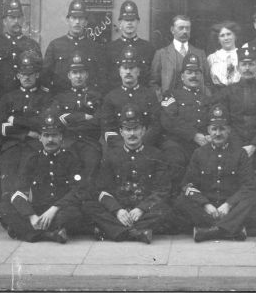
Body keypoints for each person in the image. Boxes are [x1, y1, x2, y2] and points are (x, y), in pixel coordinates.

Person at [83, 104, 173, 244]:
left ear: (143, 131)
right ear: (121, 132)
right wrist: (117, 210)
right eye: (127, 129)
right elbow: (101, 189)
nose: (132, 134)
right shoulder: (111, 156)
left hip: (144, 209)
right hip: (120, 208)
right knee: (89, 206)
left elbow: (163, 189)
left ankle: (115, 231)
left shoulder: (156, 155)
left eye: (136, 129)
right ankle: (136, 233)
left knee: (166, 210)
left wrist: (141, 209)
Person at [0, 115, 87, 244]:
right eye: (46, 136)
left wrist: (54, 209)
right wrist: (31, 216)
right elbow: (19, 191)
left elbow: (78, 190)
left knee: (75, 213)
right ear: (40, 138)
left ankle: (26, 231)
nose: (50, 140)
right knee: (2, 208)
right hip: (36, 208)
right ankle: (50, 234)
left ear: (61, 137)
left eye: (54, 136)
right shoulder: (32, 159)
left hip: (60, 209)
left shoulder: (71, 158)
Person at [174, 104, 256, 242]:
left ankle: (211, 231)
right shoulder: (199, 153)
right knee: (181, 201)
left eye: (222, 129)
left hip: (230, 207)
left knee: (253, 197)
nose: (218, 133)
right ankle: (230, 229)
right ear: (208, 130)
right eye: (214, 129)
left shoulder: (240, 153)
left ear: (229, 130)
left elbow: (249, 186)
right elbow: (187, 184)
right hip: (207, 208)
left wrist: (229, 204)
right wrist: (205, 205)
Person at [213, 46, 256, 213]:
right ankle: (232, 206)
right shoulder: (229, 91)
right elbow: (225, 122)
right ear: (238, 67)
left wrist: (254, 145)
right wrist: (239, 146)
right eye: (244, 64)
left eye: (251, 64)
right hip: (235, 145)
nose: (247, 68)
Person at [0, 51, 50, 200]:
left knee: (29, 171)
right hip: (12, 144)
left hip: (35, 145)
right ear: (18, 75)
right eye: (23, 74)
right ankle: (6, 204)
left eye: (30, 74)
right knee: (9, 171)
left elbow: (42, 123)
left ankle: (26, 205)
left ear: (37, 75)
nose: (26, 77)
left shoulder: (45, 97)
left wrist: (14, 120)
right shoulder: (8, 97)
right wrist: (26, 133)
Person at [159, 53, 212, 186]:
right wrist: (193, 135)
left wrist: (210, 136)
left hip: (202, 143)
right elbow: (168, 121)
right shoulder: (172, 95)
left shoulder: (207, 98)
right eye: (189, 72)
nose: (193, 76)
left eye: (197, 73)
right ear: (182, 77)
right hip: (178, 143)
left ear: (201, 76)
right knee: (175, 159)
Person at [51, 51, 103, 185]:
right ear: (69, 75)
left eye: (81, 72)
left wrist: (69, 118)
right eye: (74, 73)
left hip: (90, 142)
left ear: (87, 75)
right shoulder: (61, 97)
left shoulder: (96, 96)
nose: (78, 76)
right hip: (68, 141)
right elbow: (54, 120)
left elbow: (98, 121)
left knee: (91, 169)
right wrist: (83, 116)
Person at [98, 46, 161, 151]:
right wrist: (124, 146)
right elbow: (107, 128)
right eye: (125, 68)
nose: (128, 72)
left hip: (145, 148)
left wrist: (140, 144)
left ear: (138, 71)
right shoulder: (111, 97)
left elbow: (155, 126)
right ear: (119, 72)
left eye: (132, 68)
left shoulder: (149, 95)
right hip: (119, 149)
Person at [41, 0, 106, 94]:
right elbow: (45, 76)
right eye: (74, 18)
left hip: (88, 99)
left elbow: (102, 78)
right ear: (67, 20)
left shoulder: (95, 47)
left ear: (86, 22)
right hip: (61, 98)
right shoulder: (55, 45)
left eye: (81, 18)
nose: (77, 22)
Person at [0, 0, 41, 101]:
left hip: (25, 100)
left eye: (19, 17)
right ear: (4, 21)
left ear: (23, 19)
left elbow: (39, 76)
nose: (16, 21)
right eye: (12, 18)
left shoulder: (32, 45)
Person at [150, 14, 210, 99]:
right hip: (169, 105)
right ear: (172, 30)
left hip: (195, 105)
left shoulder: (200, 54)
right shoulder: (161, 54)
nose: (185, 31)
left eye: (187, 28)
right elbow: (154, 83)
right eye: (181, 28)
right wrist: (162, 101)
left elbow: (207, 82)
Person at [104, 0, 155, 92]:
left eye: (132, 20)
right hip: (117, 98)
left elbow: (152, 78)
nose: (129, 23)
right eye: (126, 20)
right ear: (120, 22)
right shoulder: (110, 48)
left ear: (138, 21)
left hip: (142, 97)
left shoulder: (148, 48)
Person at [206, 21, 242, 87]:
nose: (226, 38)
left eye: (229, 34)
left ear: (235, 36)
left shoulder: (242, 54)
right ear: (218, 39)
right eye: (222, 36)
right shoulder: (212, 58)